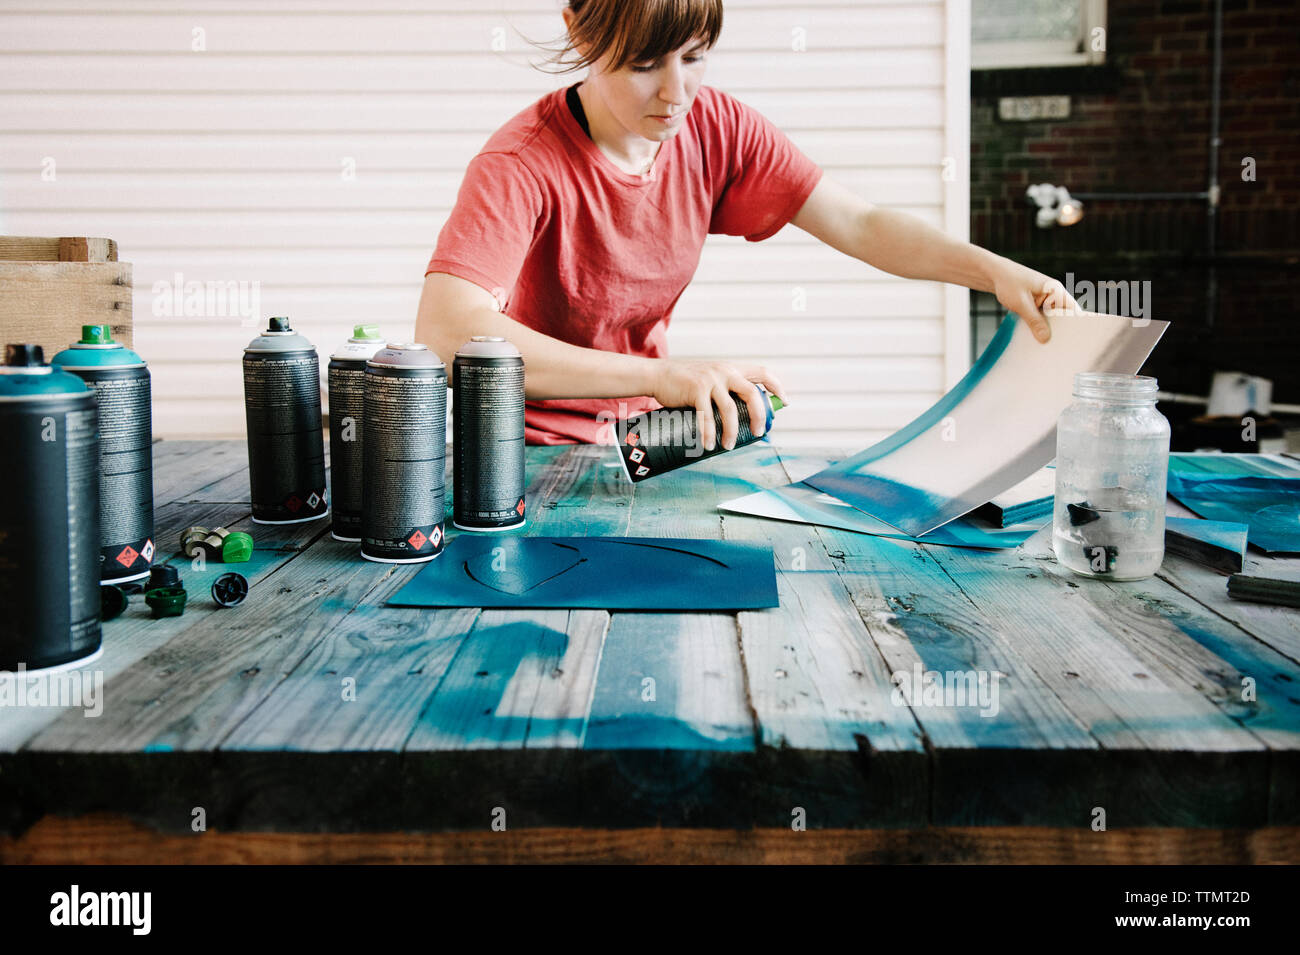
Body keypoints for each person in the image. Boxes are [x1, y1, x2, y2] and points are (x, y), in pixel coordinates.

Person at [416, 0, 1077, 451]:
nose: (677, 94)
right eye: (645, 65)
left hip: (648, 443)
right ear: (582, 33)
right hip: (526, 458)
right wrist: (656, 377)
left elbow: (862, 221)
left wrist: (998, 272)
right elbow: (448, 332)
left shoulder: (715, 127)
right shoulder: (520, 163)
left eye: (695, 57)